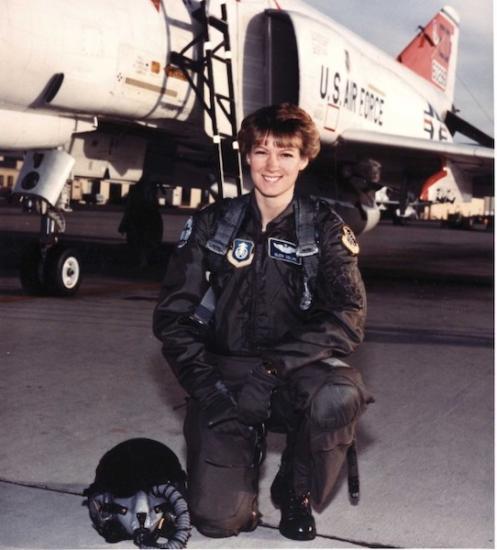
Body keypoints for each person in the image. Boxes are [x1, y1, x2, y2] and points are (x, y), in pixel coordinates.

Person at [153, 103, 373, 541]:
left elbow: (349, 316)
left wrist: (272, 369)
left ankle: (296, 489)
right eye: (261, 151)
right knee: (218, 522)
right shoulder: (212, 224)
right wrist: (207, 387)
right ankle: (237, 460)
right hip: (223, 376)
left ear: (305, 159)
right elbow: (172, 318)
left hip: (295, 371)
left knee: (337, 395)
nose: (272, 165)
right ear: (246, 155)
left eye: (286, 153)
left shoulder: (325, 230)